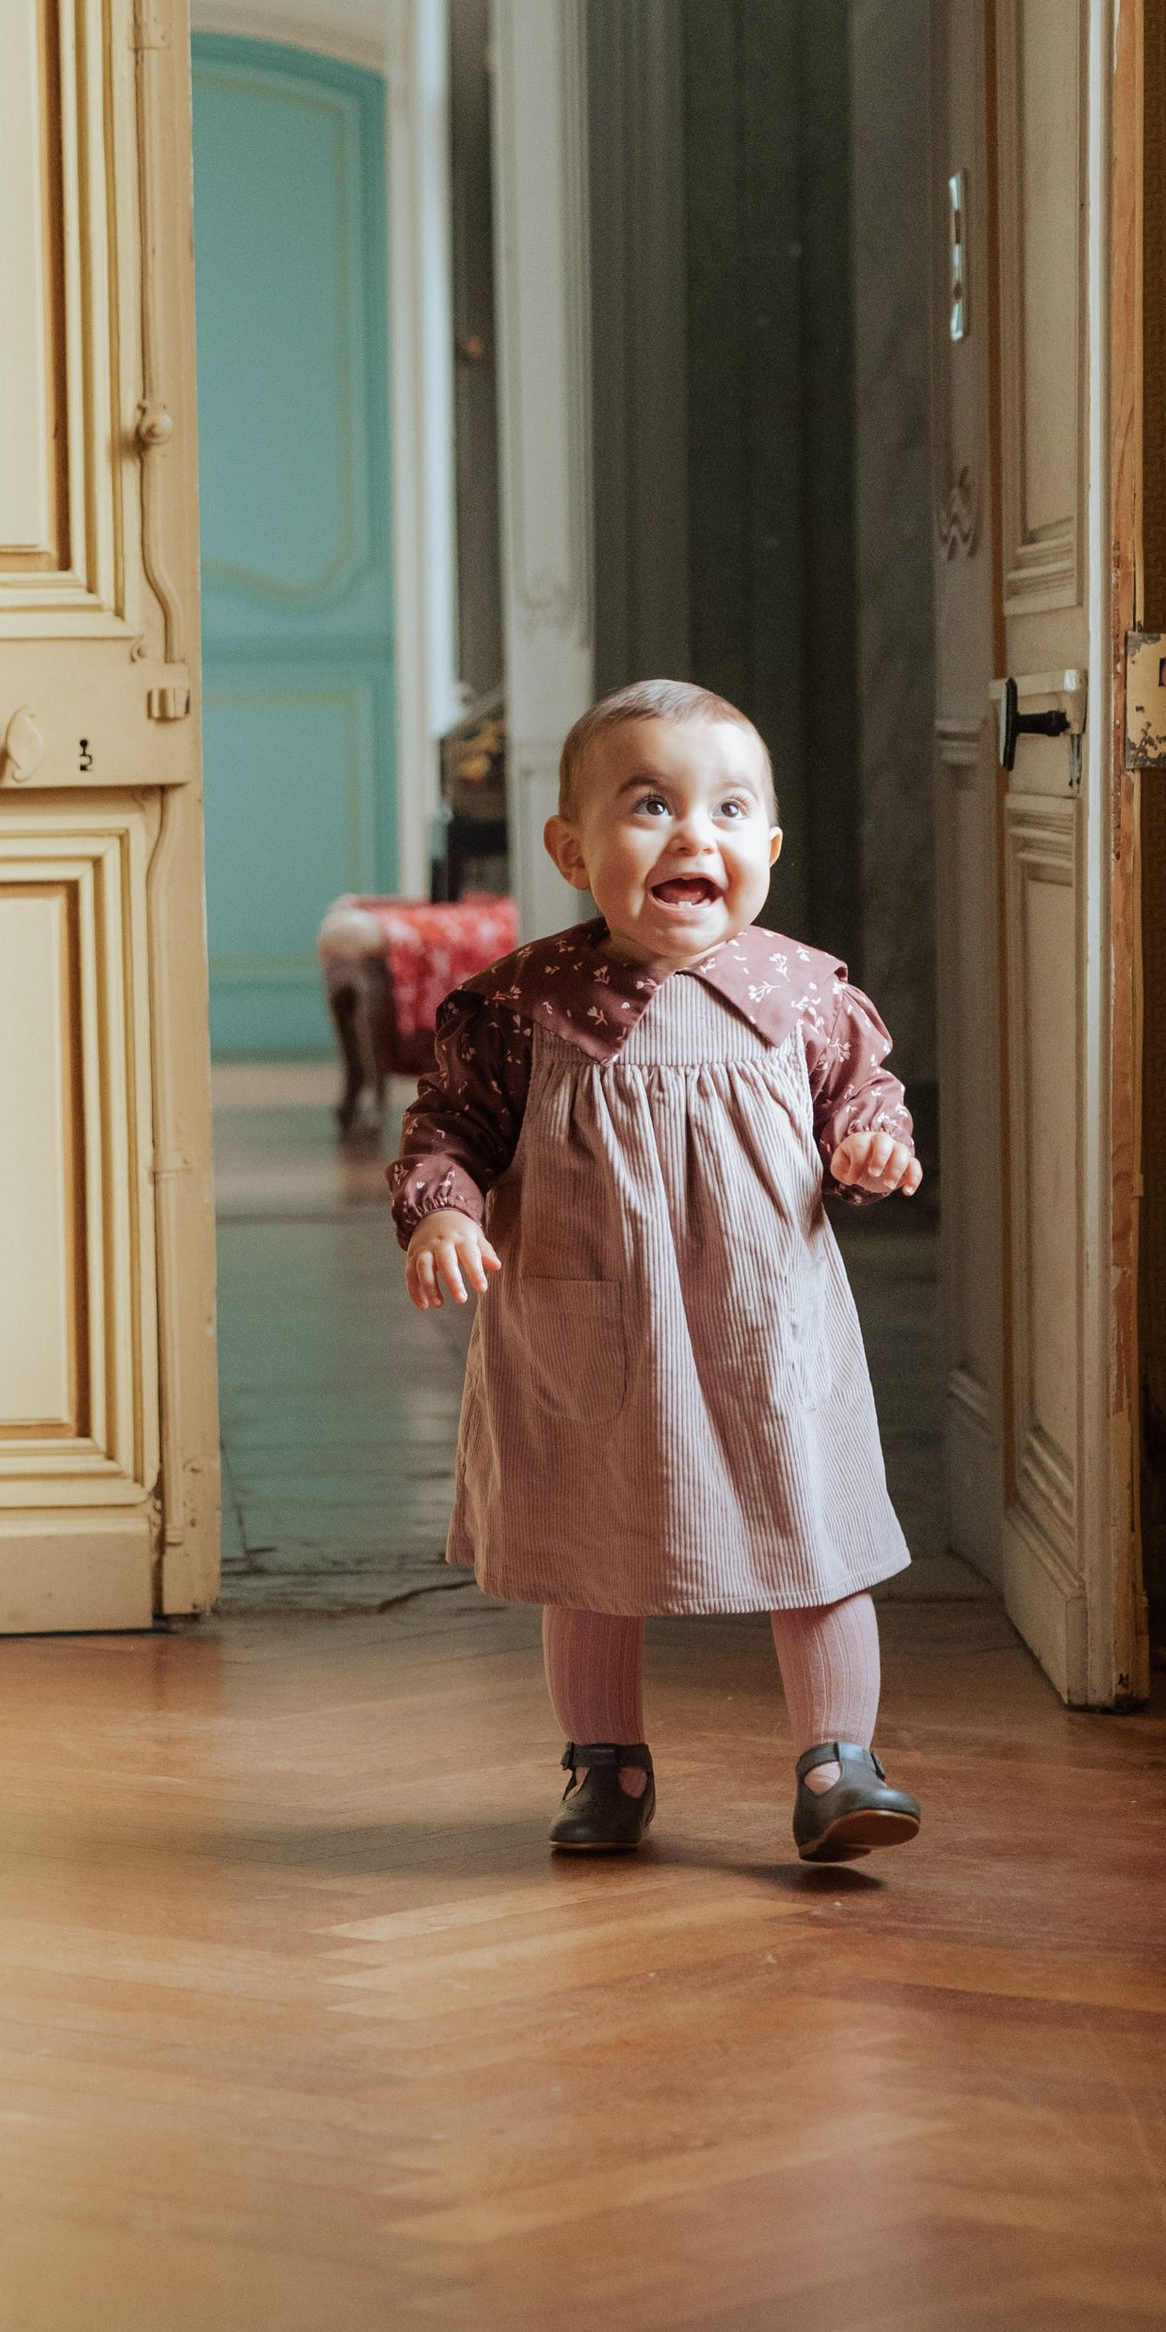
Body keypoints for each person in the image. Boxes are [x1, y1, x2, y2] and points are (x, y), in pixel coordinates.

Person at [387, 679, 924, 1862]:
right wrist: (439, 1215)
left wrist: (871, 1148)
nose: (695, 835)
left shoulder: (802, 999)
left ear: (767, 848)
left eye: (729, 811)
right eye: (649, 806)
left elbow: (861, 1106)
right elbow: (449, 1131)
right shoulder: (524, 1006)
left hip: (764, 1322)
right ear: (571, 848)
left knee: (812, 1528)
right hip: (588, 1325)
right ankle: (603, 1762)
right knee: (588, 1540)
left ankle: (839, 1762)